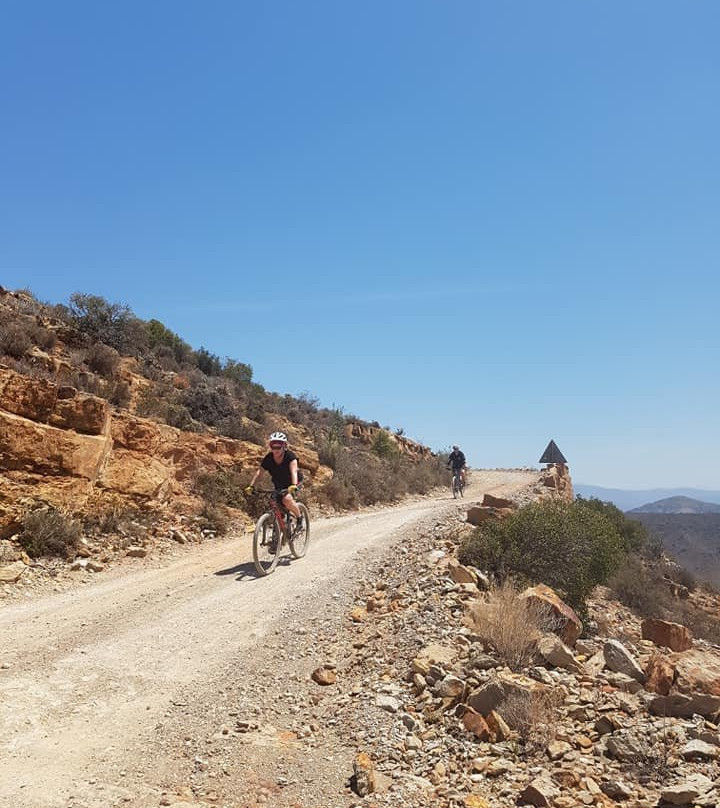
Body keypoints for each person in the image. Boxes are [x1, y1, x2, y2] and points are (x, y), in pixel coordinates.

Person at [245, 431, 304, 532]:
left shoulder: (290, 456)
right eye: (273, 446)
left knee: (287, 500)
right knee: (275, 502)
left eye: (278, 447)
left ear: (284, 446)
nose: (275, 449)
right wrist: (251, 486)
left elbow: (294, 471)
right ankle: (280, 530)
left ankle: (299, 518)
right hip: (279, 483)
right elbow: (260, 472)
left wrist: (293, 485)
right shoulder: (269, 458)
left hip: (293, 481)